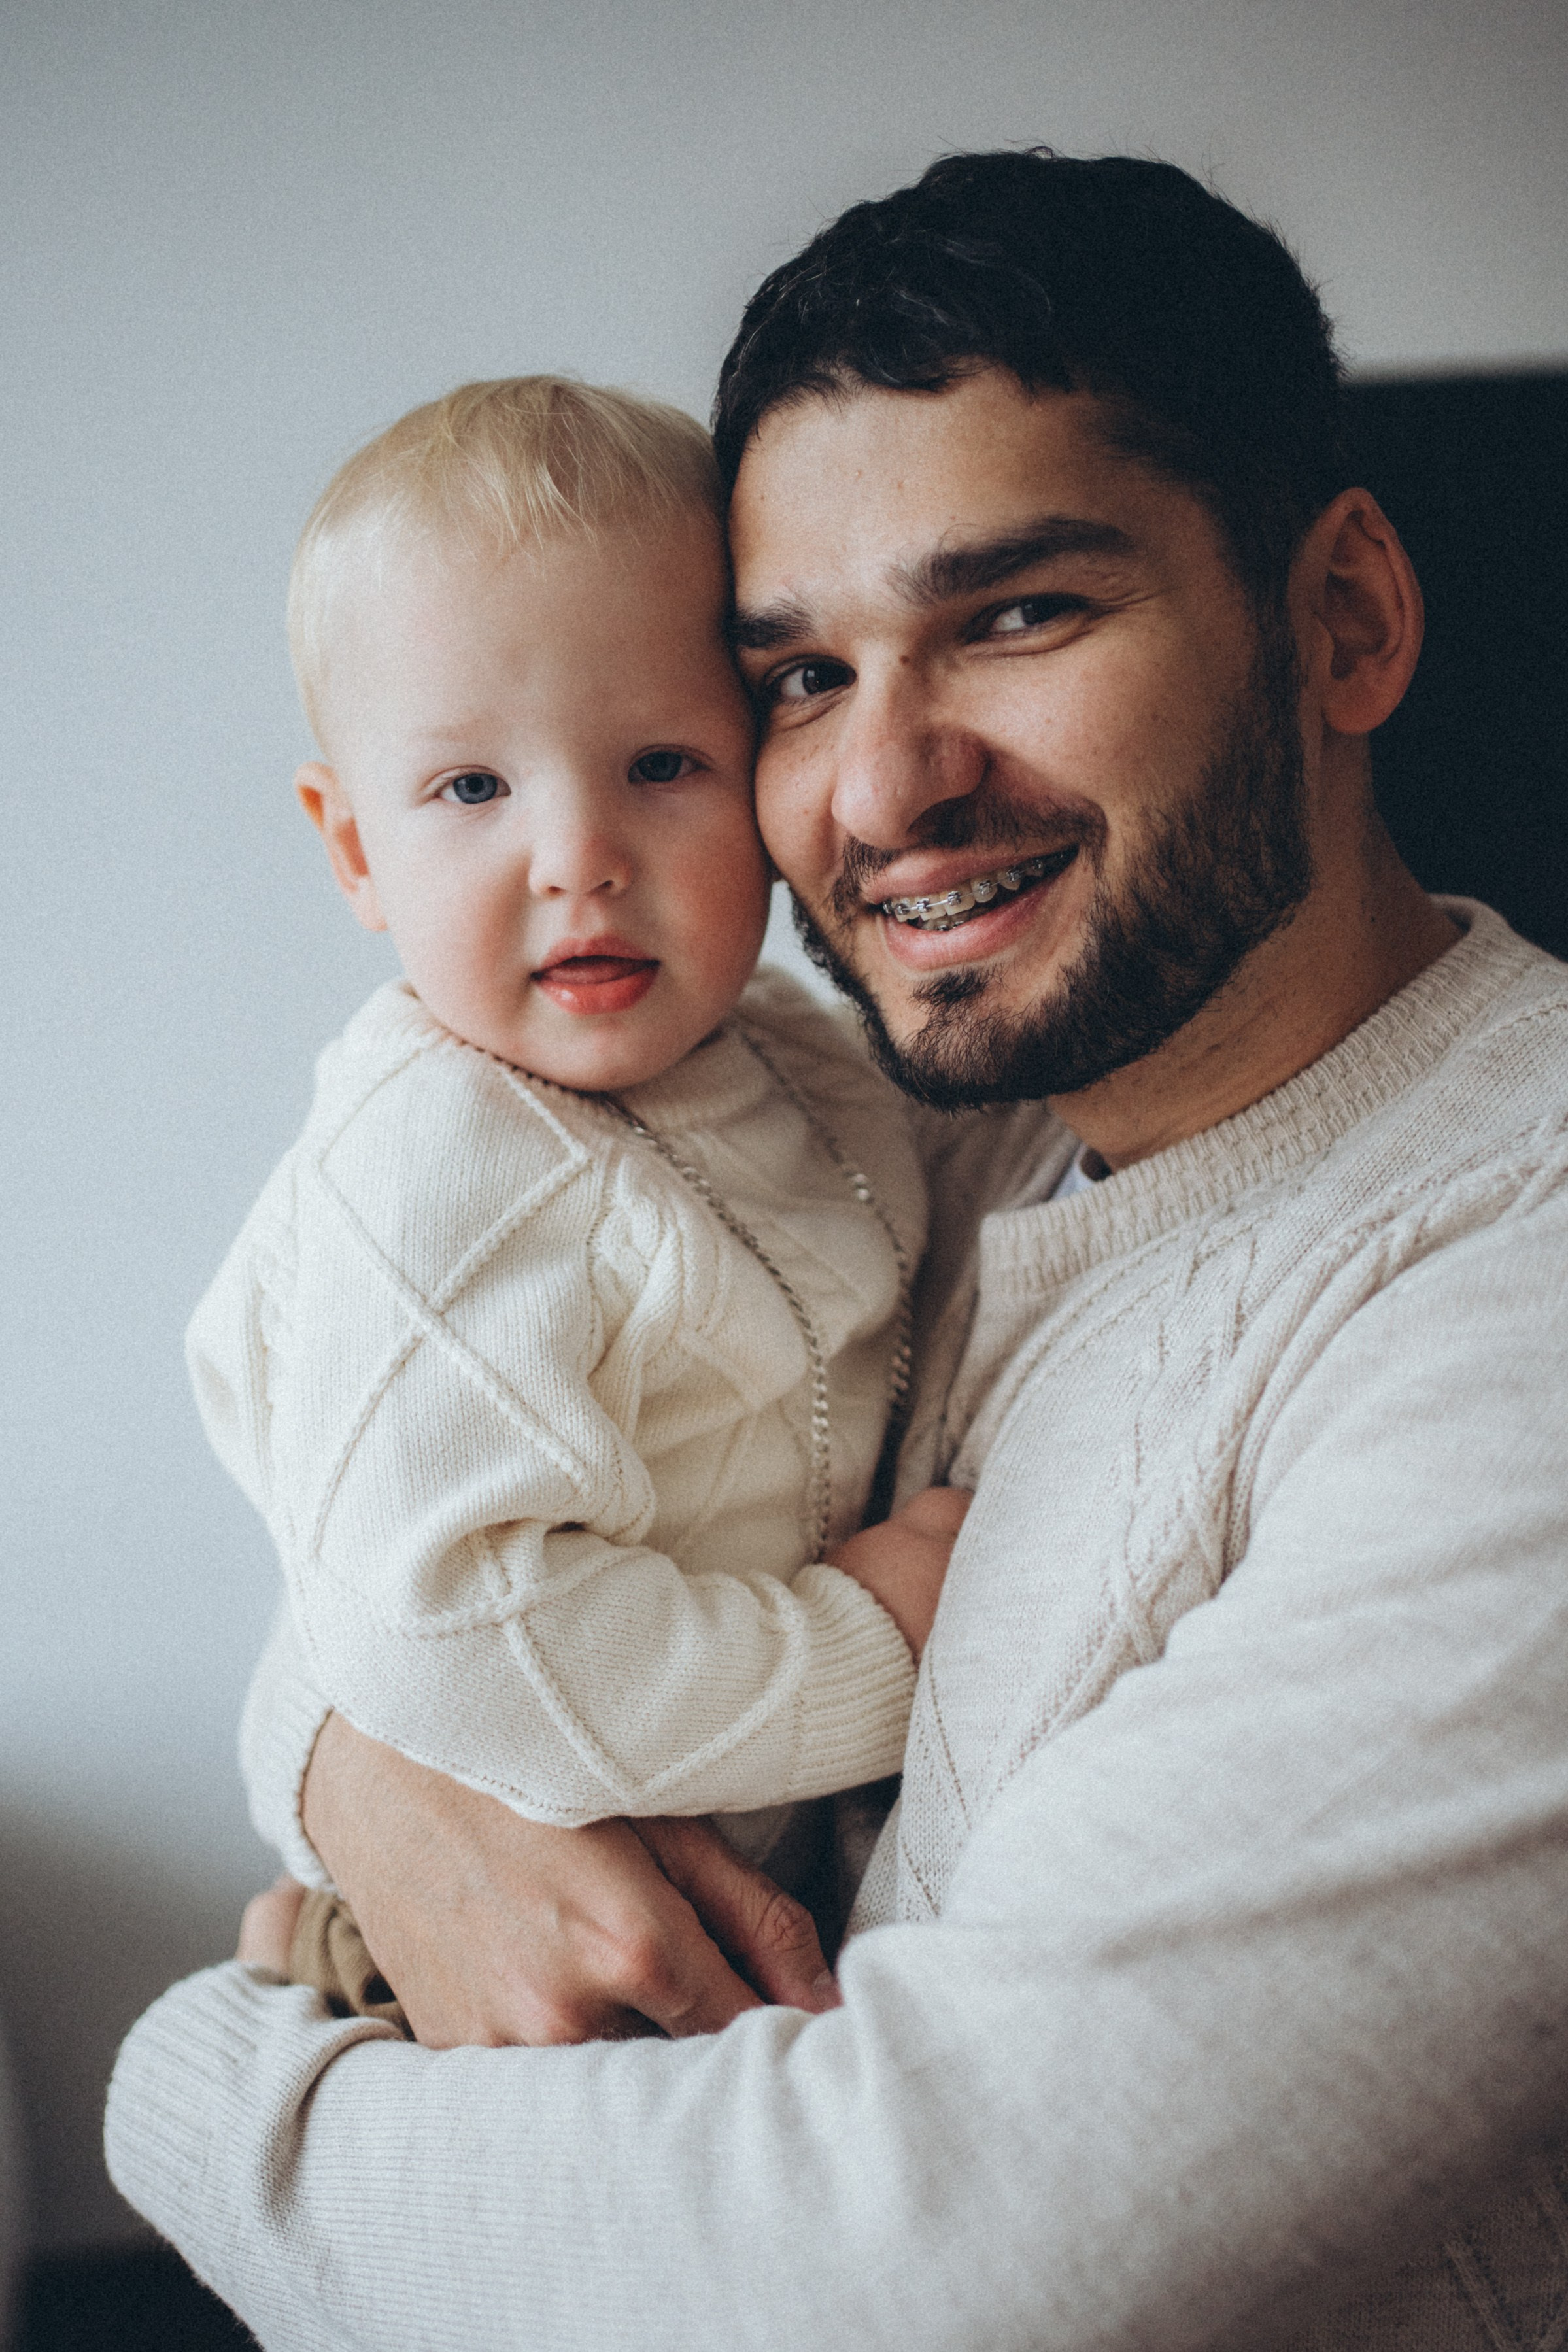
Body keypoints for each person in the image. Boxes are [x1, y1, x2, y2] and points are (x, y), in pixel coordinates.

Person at [107, 152, 1568, 2349]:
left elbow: (916, 2255)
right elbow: (400, 1544)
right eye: (793, 675)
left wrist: (196, 2083)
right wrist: (369, 1775)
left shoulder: (1505, 1284)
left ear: (1338, 619)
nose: (880, 786)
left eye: (1013, 614)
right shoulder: (918, 1144)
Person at [182, 371, 968, 2031]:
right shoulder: (436, 1162)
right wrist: (863, 1647)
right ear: (350, 846)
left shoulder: (805, 1060)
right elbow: (444, 1631)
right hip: (463, 1937)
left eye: (662, 763)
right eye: (472, 789)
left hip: (725, 1873)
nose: (577, 853)